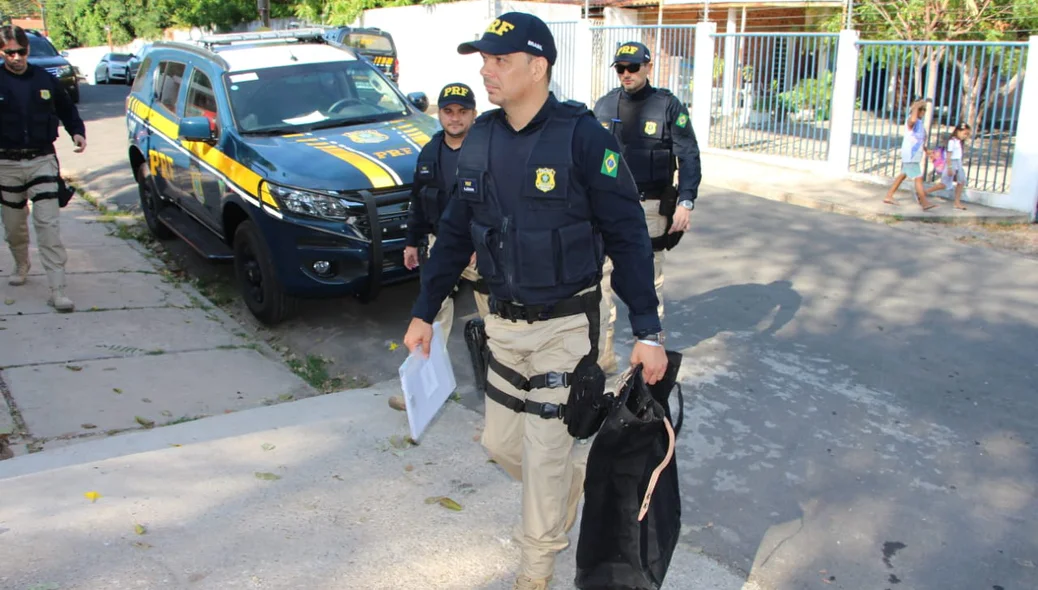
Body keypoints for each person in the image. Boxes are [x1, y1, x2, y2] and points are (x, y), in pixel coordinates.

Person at [401, 12, 668, 590]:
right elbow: (452, 233)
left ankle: (535, 569)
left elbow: (627, 236)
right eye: (484, 60)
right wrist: (424, 312)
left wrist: (647, 330)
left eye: (499, 60)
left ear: (537, 66)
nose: (485, 71)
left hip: (567, 328)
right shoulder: (483, 137)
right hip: (501, 326)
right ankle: (572, 480)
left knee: (545, 454)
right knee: (502, 444)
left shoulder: (582, 137)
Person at [592, 41, 701, 373]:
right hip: (607, 205)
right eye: (620, 68)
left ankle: (651, 354)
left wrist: (686, 200)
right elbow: (592, 157)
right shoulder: (604, 104)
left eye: (633, 67)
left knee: (648, 280)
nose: (626, 74)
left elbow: (689, 154)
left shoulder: (667, 106)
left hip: (649, 207)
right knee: (601, 282)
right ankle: (603, 358)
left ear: (648, 67)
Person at [388, 82, 488, 412]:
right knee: (430, 316)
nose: (455, 118)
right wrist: (412, 242)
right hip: (438, 245)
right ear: (440, 114)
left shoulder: (487, 150)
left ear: (474, 114)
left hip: (479, 247)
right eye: (448, 111)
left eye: (462, 112)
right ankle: (421, 389)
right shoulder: (430, 152)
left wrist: (481, 241)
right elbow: (417, 201)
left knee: (498, 318)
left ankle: (504, 395)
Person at [0, 25, 85, 312]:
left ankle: (57, 288)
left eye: (21, 51)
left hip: (42, 160)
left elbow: (66, 108)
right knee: (14, 228)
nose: (16, 57)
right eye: (9, 52)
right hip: (6, 164)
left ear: (27, 50)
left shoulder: (43, 79)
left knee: (47, 226)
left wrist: (77, 131)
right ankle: (21, 262)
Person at [883, 98, 937, 211]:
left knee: (903, 175)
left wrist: (927, 151)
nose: (923, 112)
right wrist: (916, 106)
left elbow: (919, 140)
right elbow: (912, 120)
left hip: (915, 154)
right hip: (910, 154)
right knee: (918, 177)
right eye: (922, 109)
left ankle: (889, 196)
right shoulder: (912, 121)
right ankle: (924, 202)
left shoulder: (920, 123)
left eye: (924, 109)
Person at [925, 122, 971, 210]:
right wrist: (949, 168)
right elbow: (949, 156)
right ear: (958, 131)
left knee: (961, 181)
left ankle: (957, 202)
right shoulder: (952, 141)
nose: (965, 136)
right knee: (944, 184)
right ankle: (923, 193)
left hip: (958, 163)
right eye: (964, 133)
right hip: (951, 163)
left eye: (967, 134)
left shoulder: (959, 142)